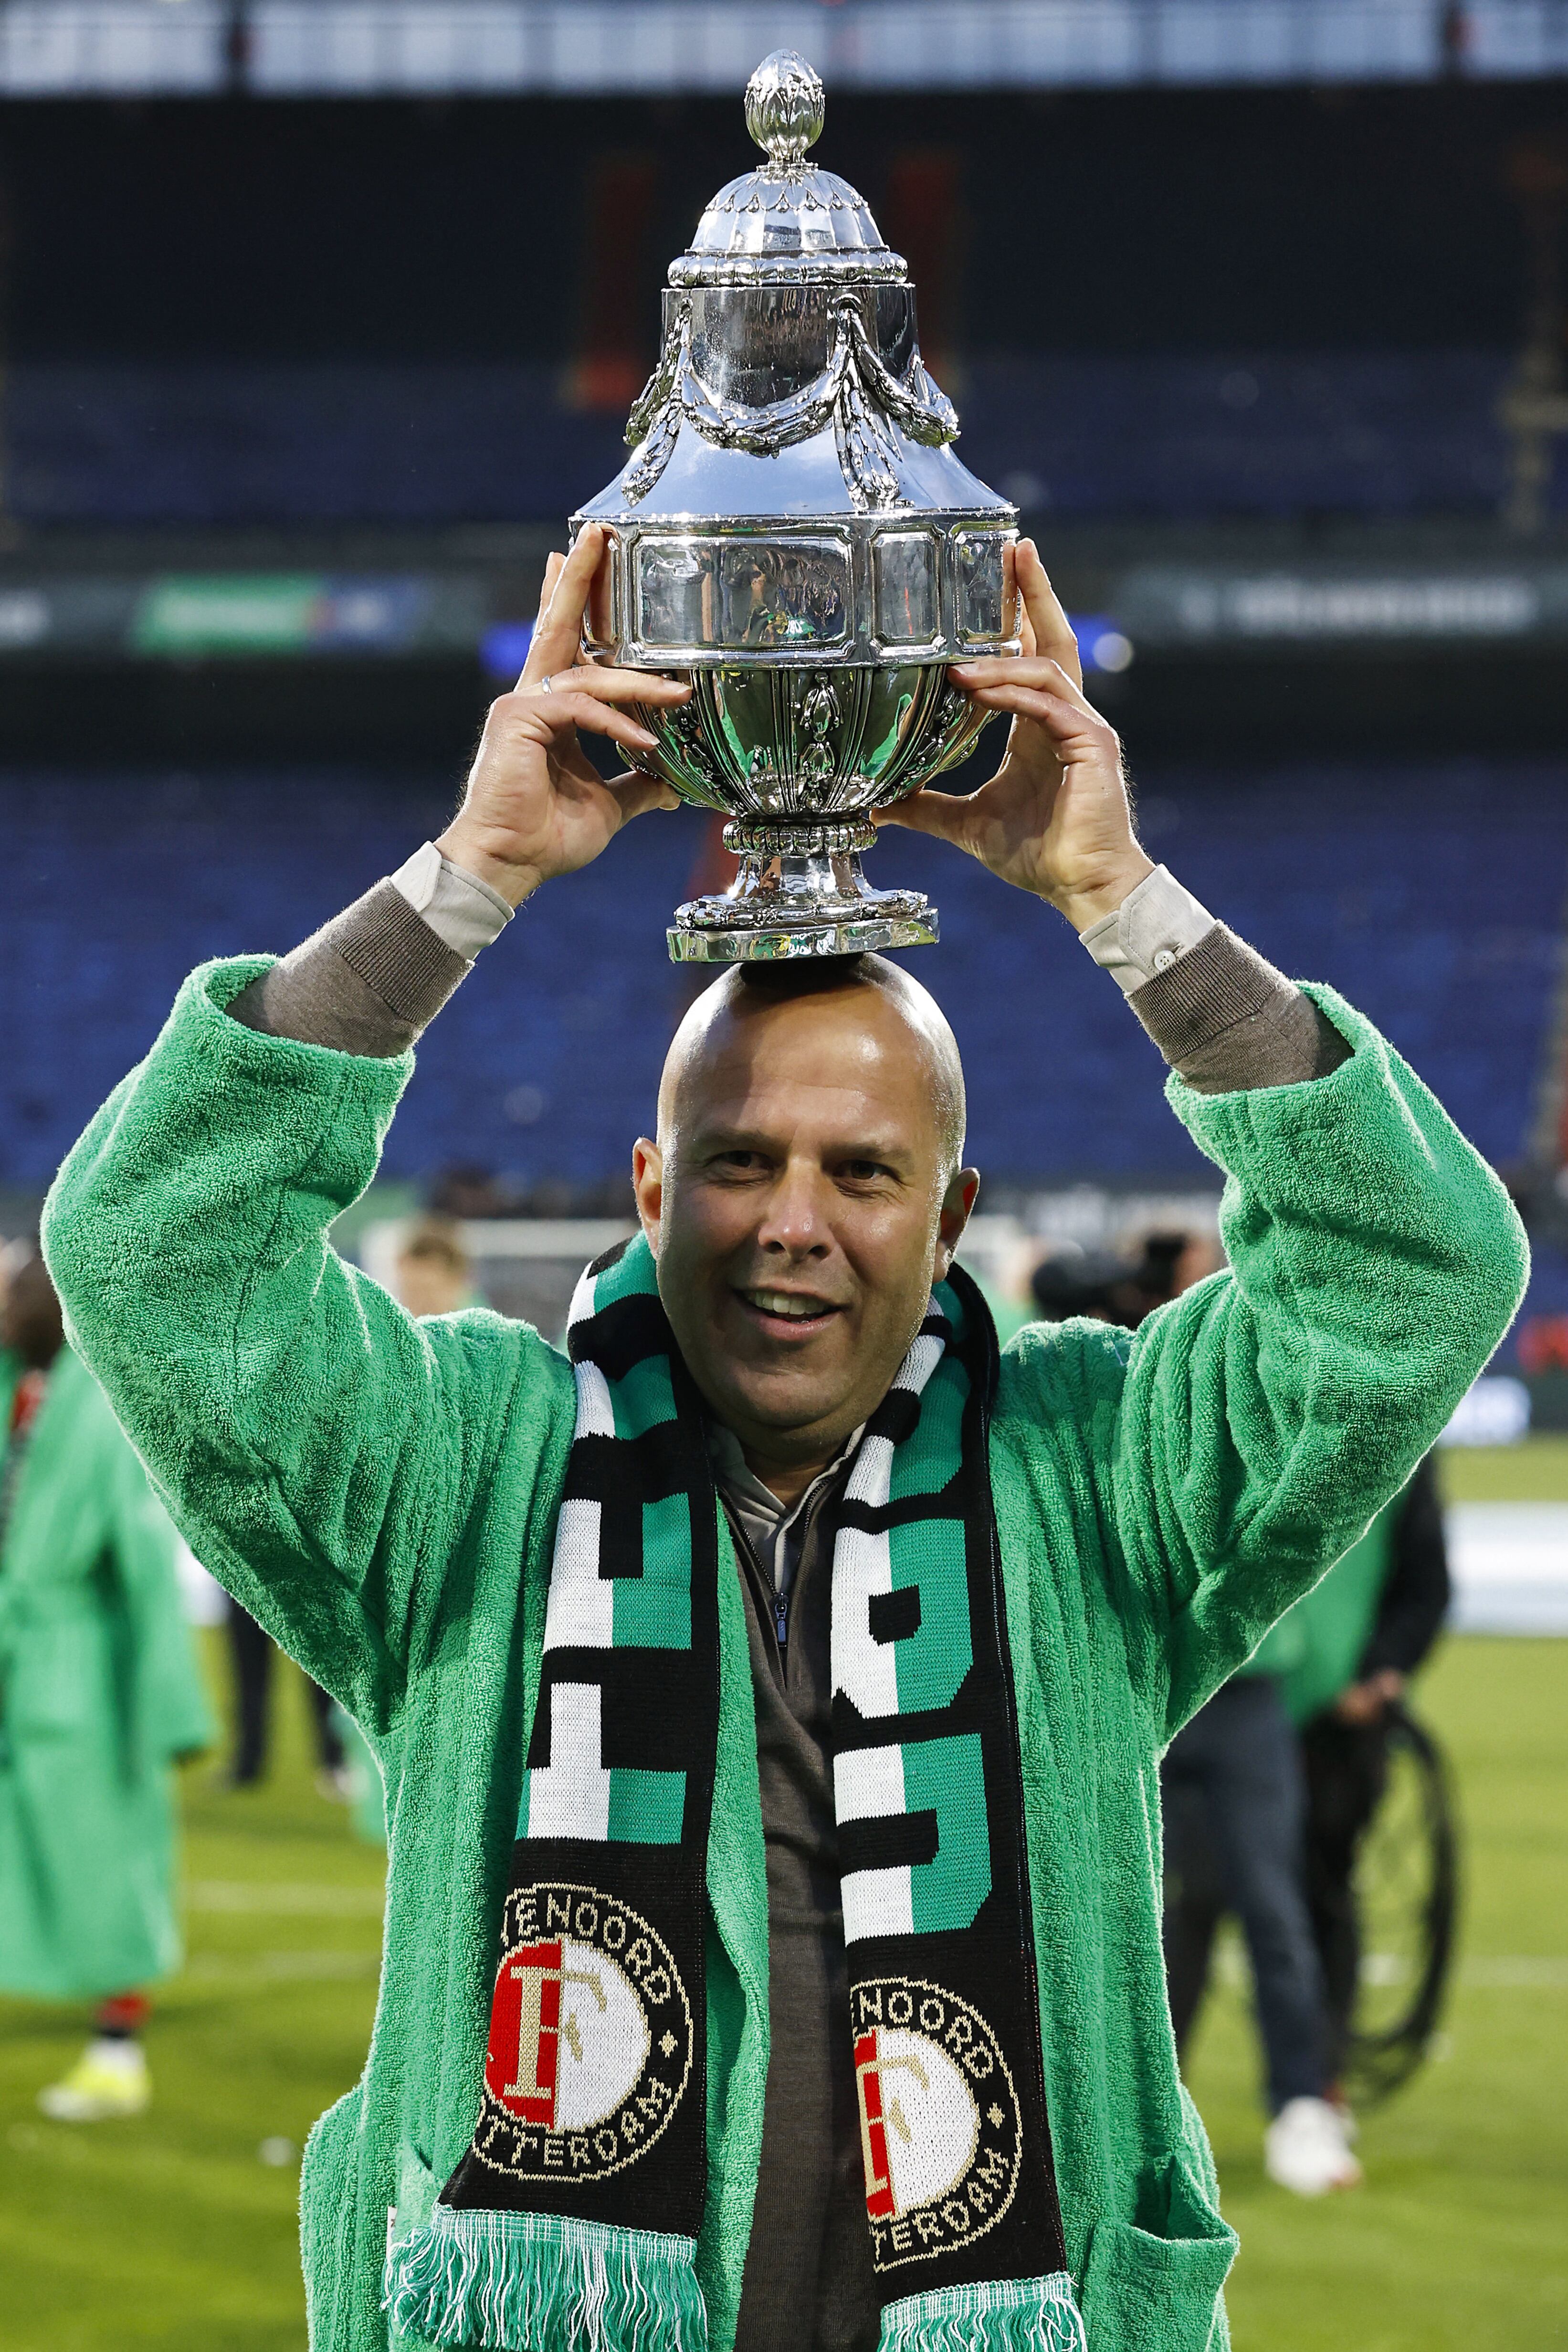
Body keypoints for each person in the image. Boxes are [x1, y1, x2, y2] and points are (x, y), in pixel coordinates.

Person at [42, 528, 1525, 2352]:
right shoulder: (469, 1471)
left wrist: (1119, 899)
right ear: (651, 1187)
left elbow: (1414, 1273)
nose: (792, 1220)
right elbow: (149, 1246)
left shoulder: (1087, 1474)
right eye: (738, 1160)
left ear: (953, 1203)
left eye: (861, 1169)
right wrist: (470, 876)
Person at [0, 1240, 213, 2120]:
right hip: (24, 1661)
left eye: (15, 1290)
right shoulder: (19, 1392)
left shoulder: (106, 1412)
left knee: (106, 1853)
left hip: (81, 1669)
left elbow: (142, 1569)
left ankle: (118, 2051)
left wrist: (166, 1710)